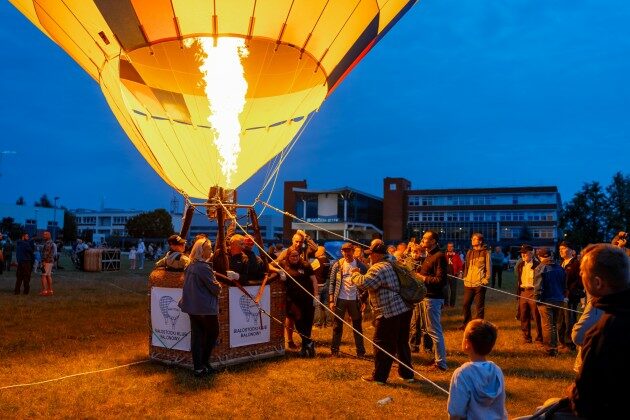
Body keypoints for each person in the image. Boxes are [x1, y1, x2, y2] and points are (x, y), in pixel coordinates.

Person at [524, 243, 630, 418]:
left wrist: (573, 391)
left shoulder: (602, 334)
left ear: (597, 283)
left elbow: (584, 403)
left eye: (583, 273)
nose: (580, 275)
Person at [351, 239, 414, 384]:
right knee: (401, 342)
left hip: (389, 311)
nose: (369, 256)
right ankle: (407, 374)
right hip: (404, 308)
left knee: (381, 343)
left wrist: (355, 274)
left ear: (377, 254)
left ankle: (379, 377)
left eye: (371, 254)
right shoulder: (392, 261)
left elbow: (366, 283)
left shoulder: (378, 268)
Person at [178, 237, 229, 377]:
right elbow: (215, 289)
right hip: (205, 308)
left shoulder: (190, 265)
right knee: (213, 334)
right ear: (201, 250)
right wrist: (218, 285)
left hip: (192, 307)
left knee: (197, 336)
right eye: (209, 248)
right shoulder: (204, 268)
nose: (211, 250)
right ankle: (205, 361)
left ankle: (198, 368)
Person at [447, 319, 508, 420]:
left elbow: (456, 413)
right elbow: (500, 406)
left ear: (467, 343)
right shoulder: (497, 370)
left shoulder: (462, 374)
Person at [328, 242, 367, 357]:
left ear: (353, 251)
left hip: (355, 300)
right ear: (341, 252)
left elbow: (366, 284)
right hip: (340, 299)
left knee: (357, 326)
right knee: (337, 326)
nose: (346, 253)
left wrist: (363, 300)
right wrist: (331, 300)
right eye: (344, 251)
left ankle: (360, 352)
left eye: (349, 250)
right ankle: (334, 351)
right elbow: (332, 283)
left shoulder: (361, 266)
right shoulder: (338, 265)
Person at [417, 230, 448, 371]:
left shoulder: (439, 256)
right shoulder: (429, 255)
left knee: (435, 331)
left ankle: (441, 364)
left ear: (433, 241)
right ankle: (437, 359)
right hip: (426, 297)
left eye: (425, 238)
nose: (422, 240)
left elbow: (441, 281)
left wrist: (422, 278)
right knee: (428, 329)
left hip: (433, 298)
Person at [279, 249, 319, 357]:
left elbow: (314, 280)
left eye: (297, 256)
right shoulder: (283, 264)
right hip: (293, 300)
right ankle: (309, 342)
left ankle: (306, 348)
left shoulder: (305, 265)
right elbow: (269, 265)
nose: (295, 258)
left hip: (307, 298)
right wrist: (279, 271)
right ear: (288, 256)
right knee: (298, 321)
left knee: (307, 323)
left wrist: (316, 295)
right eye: (292, 256)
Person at [533, 247, 567, 357]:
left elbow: (538, 287)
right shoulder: (560, 268)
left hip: (546, 301)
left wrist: (537, 299)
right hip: (559, 300)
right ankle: (555, 347)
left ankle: (550, 349)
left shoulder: (540, 268)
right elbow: (564, 285)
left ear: (539, 256)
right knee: (554, 325)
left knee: (547, 325)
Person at [461, 233, 491, 329]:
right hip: (469, 283)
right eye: (472, 239)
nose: (472, 240)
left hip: (479, 283)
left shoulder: (486, 253)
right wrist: (465, 277)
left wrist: (486, 279)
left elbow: (489, 267)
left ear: (480, 241)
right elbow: (466, 266)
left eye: (474, 239)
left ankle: (479, 326)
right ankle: (466, 324)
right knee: (466, 304)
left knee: (479, 307)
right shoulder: (469, 252)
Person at [515, 245, 543, 344]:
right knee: (524, 315)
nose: (523, 254)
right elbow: (519, 279)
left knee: (536, 316)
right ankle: (526, 337)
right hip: (523, 292)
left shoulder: (537, 265)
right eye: (522, 253)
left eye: (525, 252)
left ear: (531, 253)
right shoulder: (520, 265)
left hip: (533, 292)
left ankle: (540, 337)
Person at [557, 241, 582, 351]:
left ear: (572, 251)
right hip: (560, 296)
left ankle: (570, 344)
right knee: (561, 320)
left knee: (569, 319)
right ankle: (562, 342)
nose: (560, 250)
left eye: (563, 248)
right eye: (560, 249)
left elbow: (579, 281)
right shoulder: (561, 263)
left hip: (571, 297)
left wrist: (569, 292)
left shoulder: (576, 264)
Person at [445, 242, 464, 308]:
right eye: (449, 246)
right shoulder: (444, 255)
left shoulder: (456, 256)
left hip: (453, 275)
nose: (450, 248)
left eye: (451, 246)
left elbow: (460, 266)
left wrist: (460, 273)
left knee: (453, 290)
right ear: (447, 247)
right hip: (445, 276)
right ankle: (446, 304)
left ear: (453, 247)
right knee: (445, 290)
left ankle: (452, 304)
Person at [39, 231, 55, 296]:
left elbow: (46, 253)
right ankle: (50, 290)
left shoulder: (48, 243)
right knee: (48, 275)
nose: (44, 236)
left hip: (47, 261)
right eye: (44, 234)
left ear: (49, 235)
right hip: (50, 261)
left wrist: (43, 261)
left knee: (43, 276)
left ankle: (45, 290)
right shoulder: (51, 242)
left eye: (45, 234)